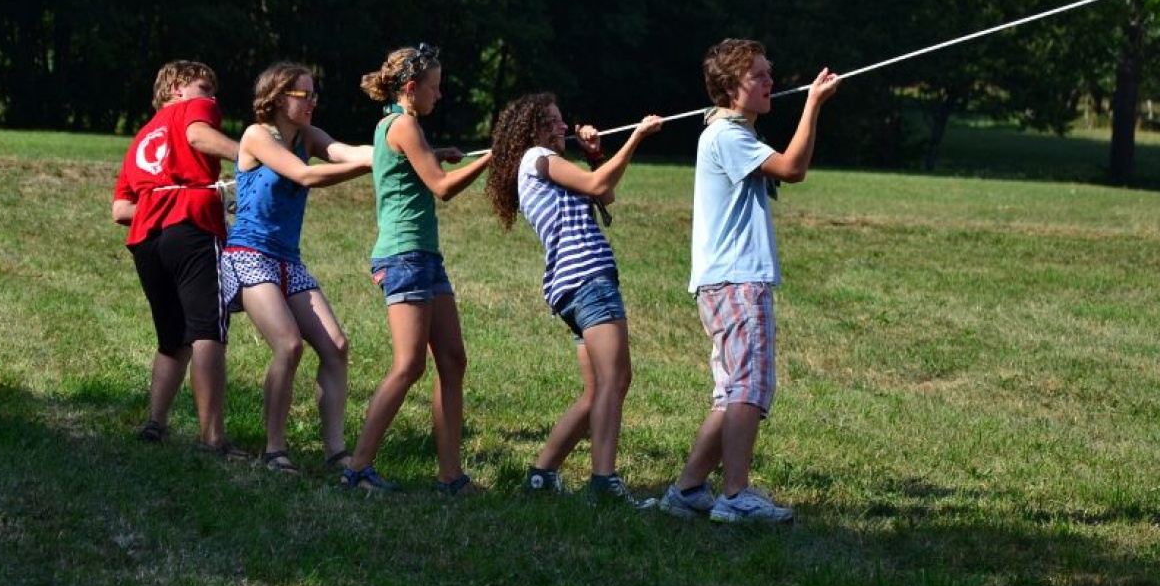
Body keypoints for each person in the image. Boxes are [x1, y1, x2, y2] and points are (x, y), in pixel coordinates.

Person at [660, 39, 839, 524]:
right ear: (732, 88)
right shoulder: (727, 136)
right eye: (758, 76)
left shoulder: (727, 131)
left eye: (768, 73)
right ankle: (735, 495)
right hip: (738, 281)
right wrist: (814, 105)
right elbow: (793, 168)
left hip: (725, 282)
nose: (769, 83)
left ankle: (688, 489)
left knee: (732, 391)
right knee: (748, 389)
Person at [484, 93, 662, 506]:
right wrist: (637, 135)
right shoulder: (537, 159)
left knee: (596, 389)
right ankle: (604, 483)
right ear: (534, 130)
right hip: (589, 281)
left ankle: (541, 475)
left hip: (572, 286)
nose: (563, 127)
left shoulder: (542, 167)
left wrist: (596, 153)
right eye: (554, 121)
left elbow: (604, 194)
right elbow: (599, 185)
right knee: (616, 381)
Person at [340, 44, 492, 495]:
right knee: (408, 365)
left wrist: (434, 149)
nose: (439, 96)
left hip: (425, 256)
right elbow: (442, 188)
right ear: (411, 88)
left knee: (452, 360)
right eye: (434, 88)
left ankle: (450, 477)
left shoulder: (405, 126)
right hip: (404, 257)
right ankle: (358, 468)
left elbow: (412, 164)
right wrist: (493, 156)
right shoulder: (403, 124)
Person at [221, 61, 373, 475]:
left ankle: (337, 452)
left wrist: (406, 151)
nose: (311, 103)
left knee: (336, 347)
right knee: (288, 345)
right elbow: (305, 175)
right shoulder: (257, 134)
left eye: (313, 95)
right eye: (302, 95)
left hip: (288, 259)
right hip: (249, 254)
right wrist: (369, 166)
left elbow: (350, 151)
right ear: (277, 97)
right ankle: (274, 450)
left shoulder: (308, 136)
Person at [113, 60, 247, 458]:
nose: (212, 97)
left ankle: (155, 423)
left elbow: (121, 208)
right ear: (176, 87)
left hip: (146, 242)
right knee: (207, 330)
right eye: (205, 87)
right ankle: (211, 437)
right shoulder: (193, 109)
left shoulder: (140, 137)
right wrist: (254, 155)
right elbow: (199, 137)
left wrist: (163, 202)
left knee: (172, 336)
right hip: (191, 228)